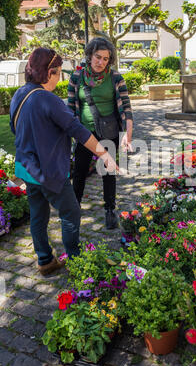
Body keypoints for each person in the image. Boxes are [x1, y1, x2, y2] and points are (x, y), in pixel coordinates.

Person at [10, 47, 117, 276]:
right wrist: (105, 154)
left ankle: (45, 260)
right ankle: (77, 262)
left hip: (27, 170)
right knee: (71, 213)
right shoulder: (49, 100)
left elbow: (14, 128)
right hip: (49, 172)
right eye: (58, 73)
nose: (59, 79)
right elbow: (78, 130)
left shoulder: (19, 94)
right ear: (49, 72)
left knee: (38, 215)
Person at [67, 37, 133, 229]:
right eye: (98, 57)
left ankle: (110, 209)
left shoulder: (115, 78)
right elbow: (70, 109)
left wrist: (128, 134)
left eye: (105, 59)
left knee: (108, 171)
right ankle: (74, 207)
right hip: (84, 133)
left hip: (109, 131)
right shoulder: (76, 78)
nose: (101, 62)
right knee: (79, 172)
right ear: (89, 55)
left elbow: (126, 108)